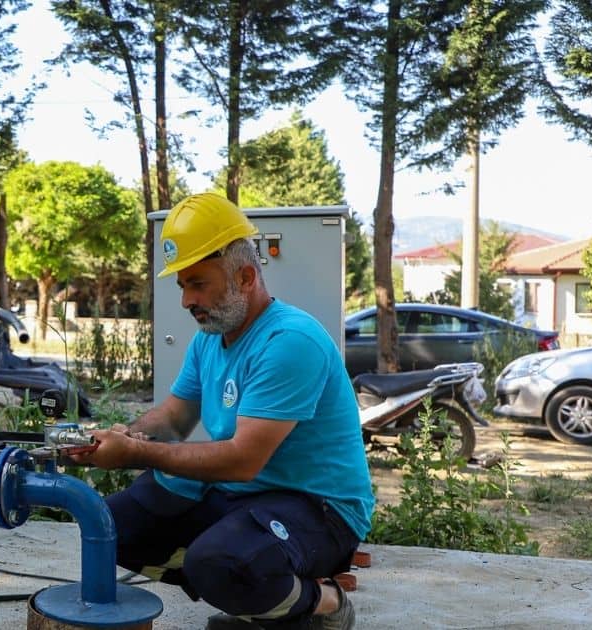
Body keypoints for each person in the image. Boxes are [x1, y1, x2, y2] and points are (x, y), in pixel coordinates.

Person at [70, 193, 374, 630]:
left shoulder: (289, 342)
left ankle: (323, 604)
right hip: (244, 496)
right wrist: (129, 434)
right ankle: (253, 592)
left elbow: (242, 460)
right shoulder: (211, 337)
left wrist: (136, 454)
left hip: (319, 508)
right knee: (110, 526)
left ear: (246, 277)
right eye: (182, 286)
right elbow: (175, 418)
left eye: (198, 284)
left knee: (218, 561)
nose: (186, 301)